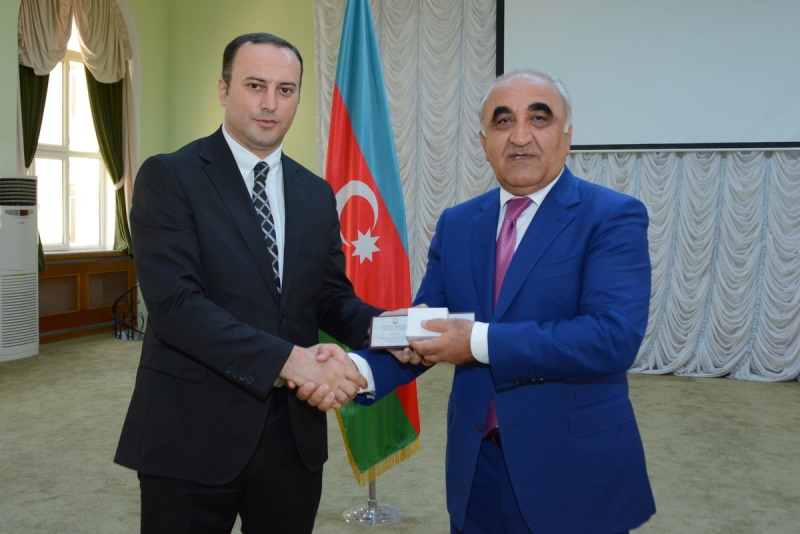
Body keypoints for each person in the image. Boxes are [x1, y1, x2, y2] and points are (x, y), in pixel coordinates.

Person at [302, 69, 656, 532]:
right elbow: (430, 331)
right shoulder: (458, 223)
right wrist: (356, 369)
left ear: (567, 135)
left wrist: (476, 341)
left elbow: (612, 338)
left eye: (539, 119)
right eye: (503, 121)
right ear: (484, 140)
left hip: (572, 471)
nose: (520, 136)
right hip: (476, 469)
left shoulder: (611, 216)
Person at [114, 32, 383, 533]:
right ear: (223, 89)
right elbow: (177, 307)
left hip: (292, 435)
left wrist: (392, 329)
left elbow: (329, 297)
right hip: (192, 430)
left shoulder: (316, 193)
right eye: (255, 85)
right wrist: (291, 360)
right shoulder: (169, 177)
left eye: (286, 89)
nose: (270, 103)